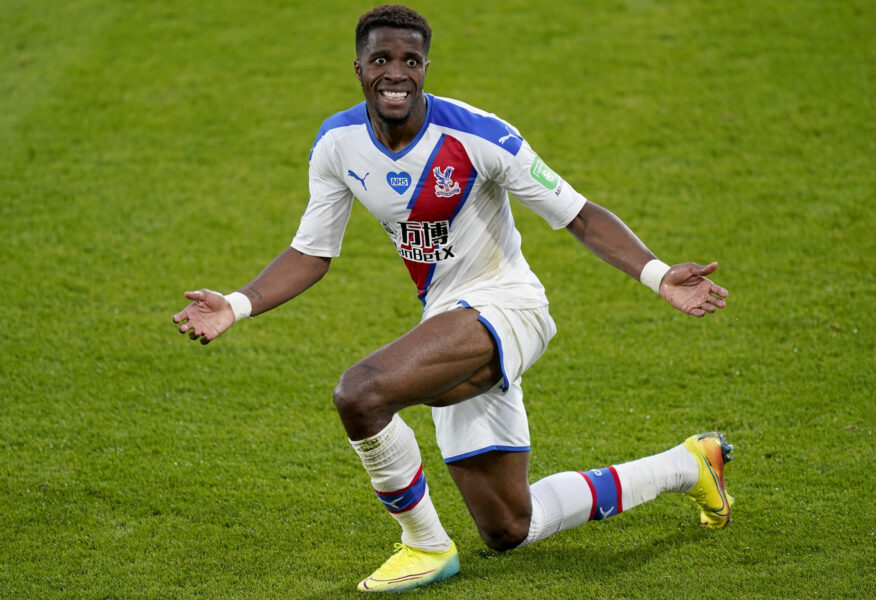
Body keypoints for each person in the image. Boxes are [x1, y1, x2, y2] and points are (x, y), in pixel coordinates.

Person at [173, 4, 733, 593]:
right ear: (358, 67)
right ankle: (689, 464)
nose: (396, 73)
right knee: (511, 525)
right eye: (381, 60)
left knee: (361, 394)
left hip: (508, 307)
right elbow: (312, 252)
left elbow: (579, 215)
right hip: (449, 320)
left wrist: (659, 274)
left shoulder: (477, 135)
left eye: (410, 60)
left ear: (426, 67)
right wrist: (235, 305)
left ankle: (423, 544)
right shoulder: (337, 144)